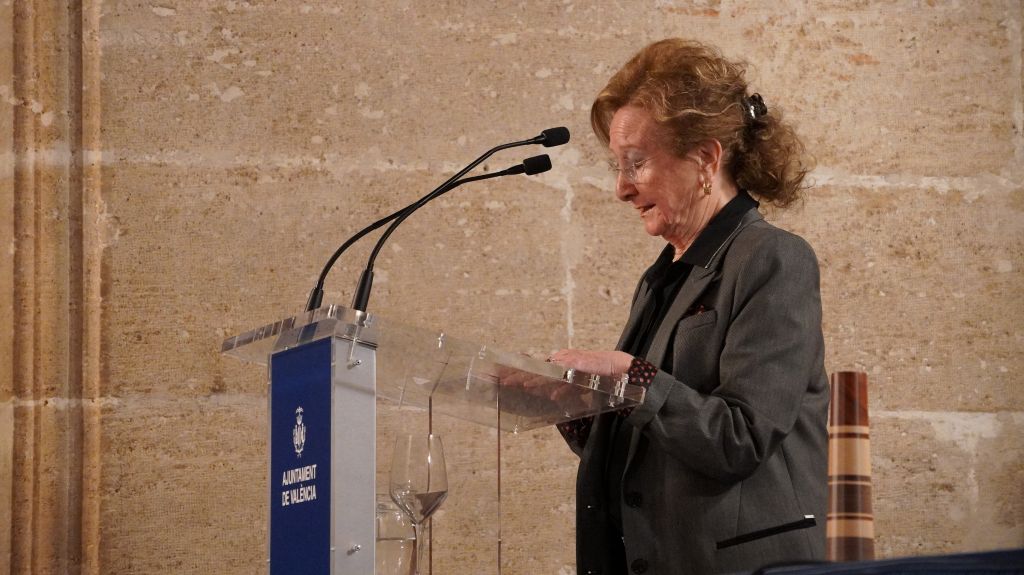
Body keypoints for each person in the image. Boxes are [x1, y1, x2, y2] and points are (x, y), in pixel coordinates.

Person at [549, 39, 830, 574]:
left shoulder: (773, 258)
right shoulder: (663, 277)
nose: (621, 188)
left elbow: (740, 439)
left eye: (635, 163)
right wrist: (579, 409)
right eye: (617, 166)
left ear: (705, 159)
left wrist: (631, 377)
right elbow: (658, 448)